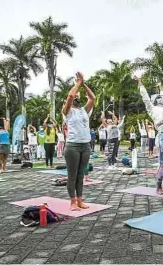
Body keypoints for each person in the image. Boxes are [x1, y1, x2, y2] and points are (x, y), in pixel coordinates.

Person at [137, 77, 163, 195]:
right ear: (154, 101)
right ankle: (158, 187)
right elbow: (145, 98)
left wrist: (160, 87)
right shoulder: (152, 109)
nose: (161, 99)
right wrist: (140, 83)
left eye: (161, 98)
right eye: (158, 98)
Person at [62, 72, 95, 211]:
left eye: (78, 95)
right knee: (72, 176)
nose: (76, 96)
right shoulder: (67, 111)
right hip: (73, 146)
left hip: (85, 146)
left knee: (81, 175)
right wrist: (77, 84)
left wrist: (83, 83)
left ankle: (80, 200)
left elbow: (92, 98)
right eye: (75, 95)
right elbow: (70, 96)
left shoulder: (83, 110)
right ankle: (72, 202)